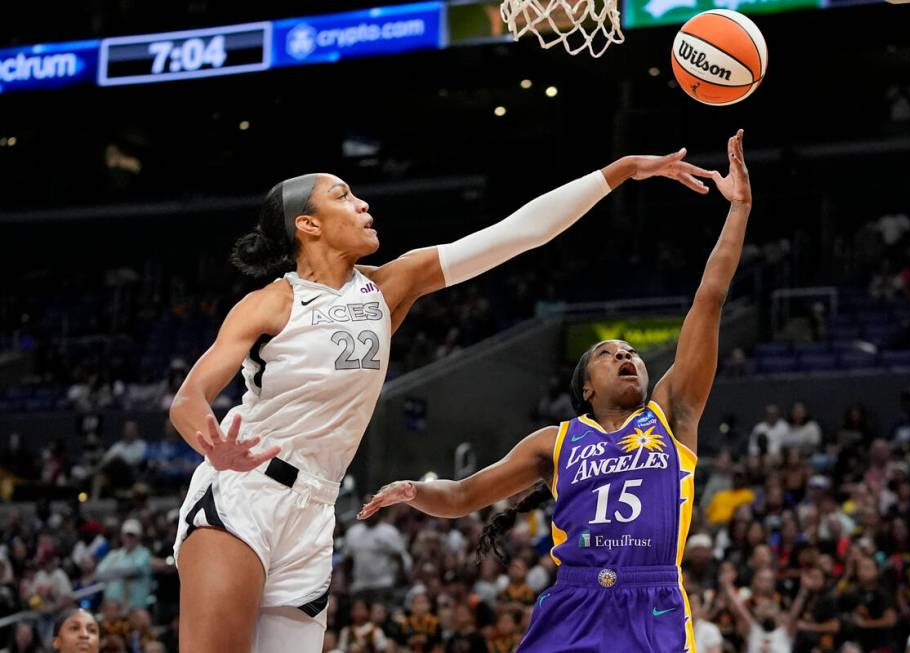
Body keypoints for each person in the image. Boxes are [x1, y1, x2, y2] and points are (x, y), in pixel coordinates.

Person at [168, 138, 714, 653]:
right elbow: (189, 398)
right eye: (343, 196)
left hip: (315, 509)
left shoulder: (389, 287)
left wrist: (620, 171)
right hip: (246, 489)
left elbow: (519, 233)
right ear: (307, 225)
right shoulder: (272, 302)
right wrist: (212, 445)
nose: (362, 204)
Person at [359, 130, 752, 652]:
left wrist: (739, 210)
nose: (626, 357)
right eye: (608, 353)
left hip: (651, 600)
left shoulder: (672, 413)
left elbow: (709, 299)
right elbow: (463, 495)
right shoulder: (555, 442)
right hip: (573, 602)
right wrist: (414, 492)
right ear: (586, 387)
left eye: (631, 352)